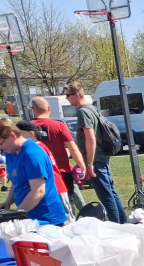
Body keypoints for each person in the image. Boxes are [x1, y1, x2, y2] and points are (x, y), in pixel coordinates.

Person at [66, 82, 127, 223]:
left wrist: (89, 163)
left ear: (76, 95)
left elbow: (91, 138)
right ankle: (123, 222)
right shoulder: (91, 108)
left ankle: (116, 225)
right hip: (101, 157)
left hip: (96, 159)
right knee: (110, 192)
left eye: (68, 95)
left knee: (106, 194)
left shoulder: (84, 111)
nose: (67, 98)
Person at [0, 119, 68, 225]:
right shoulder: (10, 152)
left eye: (1, 144)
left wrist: (15, 215)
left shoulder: (32, 154)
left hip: (46, 219)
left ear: (12, 135)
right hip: (28, 217)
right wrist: (7, 202)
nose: (0, 148)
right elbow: (16, 182)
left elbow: (38, 191)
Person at [30, 95, 85, 214]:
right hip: (61, 171)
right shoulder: (58, 125)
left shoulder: (26, 128)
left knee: (42, 205)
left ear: (33, 109)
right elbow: (73, 148)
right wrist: (82, 166)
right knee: (67, 203)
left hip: (36, 173)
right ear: (49, 108)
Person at [15, 120, 73, 221]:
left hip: (55, 187)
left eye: (20, 134)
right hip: (50, 187)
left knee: (66, 221)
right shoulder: (35, 147)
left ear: (31, 133)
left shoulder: (36, 148)